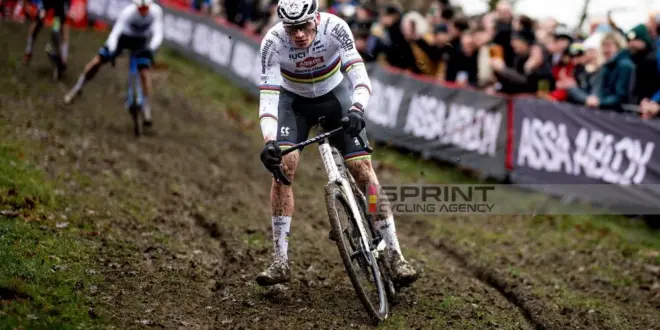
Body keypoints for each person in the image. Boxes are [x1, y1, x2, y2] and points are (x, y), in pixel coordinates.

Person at [256, 0, 418, 287]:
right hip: (294, 104)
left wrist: (357, 109)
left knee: (362, 170)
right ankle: (280, 260)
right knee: (283, 168)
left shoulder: (336, 27)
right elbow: (269, 97)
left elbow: (358, 74)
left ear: (316, 18)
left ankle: (395, 254)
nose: (298, 35)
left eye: (304, 26)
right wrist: (270, 140)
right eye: (291, 28)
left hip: (336, 97)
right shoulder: (273, 42)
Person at [63, 0, 163, 128]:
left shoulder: (156, 12)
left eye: (146, 8)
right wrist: (112, 49)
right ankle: (77, 89)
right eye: (140, 8)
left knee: (144, 72)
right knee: (97, 61)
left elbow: (158, 33)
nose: (143, 11)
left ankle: (146, 108)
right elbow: (115, 33)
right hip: (123, 39)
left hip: (141, 42)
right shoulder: (128, 13)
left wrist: (152, 48)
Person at [23, 0, 71, 68]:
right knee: (38, 21)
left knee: (56, 29)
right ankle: (28, 50)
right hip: (46, 2)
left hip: (59, 4)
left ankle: (63, 57)